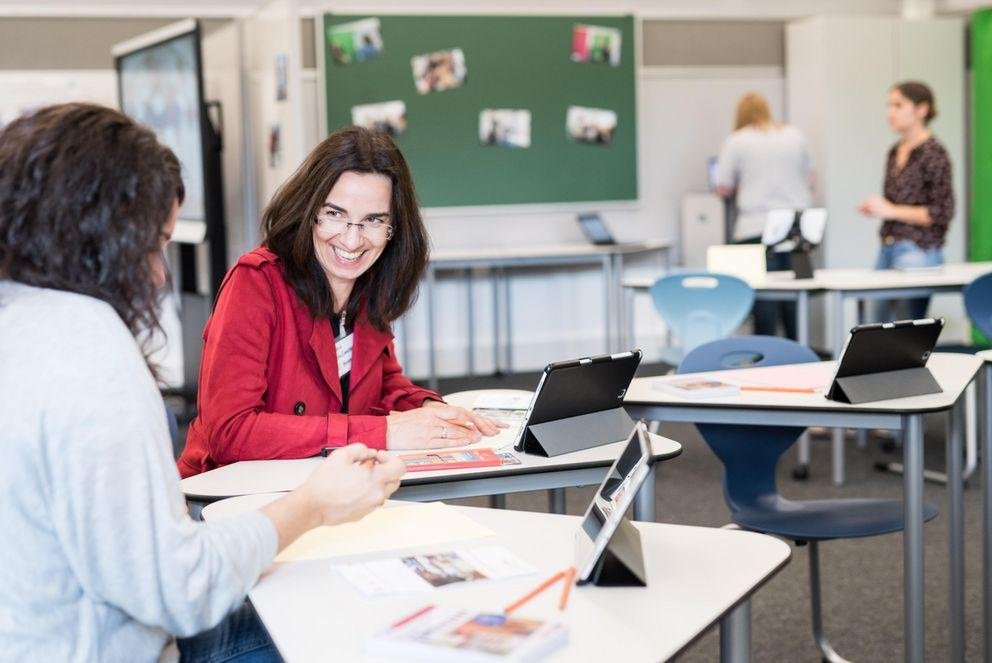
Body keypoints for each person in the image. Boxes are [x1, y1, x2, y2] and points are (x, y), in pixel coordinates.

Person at [0, 103, 407, 662]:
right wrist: (312, 504)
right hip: (113, 640)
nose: (160, 274)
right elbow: (179, 589)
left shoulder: (20, 323)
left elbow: (387, 383)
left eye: (373, 222)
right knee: (370, 624)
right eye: (156, 244)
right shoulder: (95, 365)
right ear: (104, 239)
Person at [178, 126, 505, 478]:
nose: (352, 240)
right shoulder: (255, 282)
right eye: (335, 214)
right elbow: (230, 433)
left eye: (373, 220)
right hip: (231, 498)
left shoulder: (369, 283)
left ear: (393, 228)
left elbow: (384, 386)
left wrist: (430, 410)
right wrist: (386, 433)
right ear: (309, 211)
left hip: (324, 487)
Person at [715, 92, 814, 339]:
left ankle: (765, 361)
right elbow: (810, 179)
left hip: (754, 228)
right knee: (795, 297)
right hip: (796, 228)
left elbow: (723, 187)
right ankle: (799, 356)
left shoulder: (737, 140)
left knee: (763, 300)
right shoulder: (794, 135)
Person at [857, 81, 954, 321]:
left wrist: (891, 210)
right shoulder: (894, 151)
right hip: (888, 246)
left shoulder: (934, 153)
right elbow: (896, 204)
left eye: (898, 105)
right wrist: (879, 208)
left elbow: (942, 212)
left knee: (905, 329)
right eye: (889, 105)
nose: (891, 112)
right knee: (871, 326)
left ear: (921, 109)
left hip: (918, 250)